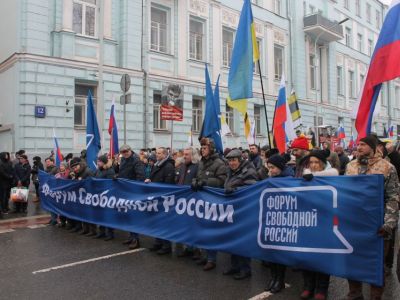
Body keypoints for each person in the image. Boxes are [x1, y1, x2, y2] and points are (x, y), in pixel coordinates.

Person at [345, 135, 399, 300]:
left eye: (363, 144)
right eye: (358, 144)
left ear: (373, 147)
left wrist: (388, 224)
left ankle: (375, 296)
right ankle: (355, 294)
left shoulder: (387, 168)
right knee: (352, 261)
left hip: (378, 225)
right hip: (354, 223)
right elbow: (344, 193)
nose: (359, 147)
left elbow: (394, 197)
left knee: (375, 264)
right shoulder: (350, 166)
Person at [300, 150, 338, 300]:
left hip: (324, 220)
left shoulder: (331, 175)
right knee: (306, 253)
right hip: (307, 220)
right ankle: (308, 286)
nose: (314, 165)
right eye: (311, 162)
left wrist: (313, 177)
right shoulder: (305, 175)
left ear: (322, 163)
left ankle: (321, 288)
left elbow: (334, 178)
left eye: (317, 162)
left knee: (323, 254)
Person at [192, 138, 228, 271]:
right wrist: (195, 181)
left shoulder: (219, 163)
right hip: (202, 200)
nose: (202, 149)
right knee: (202, 229)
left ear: (211, 148)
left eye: (205, 147)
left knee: (211, 230)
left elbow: (222, 180)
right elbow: (198, 175)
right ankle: (205, 255)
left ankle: (212, 259)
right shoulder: (201, 162)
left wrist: (206, 182)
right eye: (201, 147)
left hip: (213, 201)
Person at [222, 149, 258, 280]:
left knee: (242, 240)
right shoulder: (230, 172)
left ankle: (245, 268)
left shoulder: (249, 171)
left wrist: (236, 190)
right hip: (232, 210)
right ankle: (235, 265)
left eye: (234, 160)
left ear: (240, 160)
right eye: (230, 160)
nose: (231, 163)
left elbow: (252, 188)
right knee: (232, 238)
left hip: (244, 210)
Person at [264, 154, 294, 293]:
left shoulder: (289, 180)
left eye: (273, 168)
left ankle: (280, 280)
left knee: (279, 252)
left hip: (283, 220)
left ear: (280, 167)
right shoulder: (272, 178)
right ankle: (273, 277)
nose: (270, 170)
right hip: (271, 218)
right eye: (268, 167)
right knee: (270, 251)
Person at [146, 147, 175, 254]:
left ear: (164, 154)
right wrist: (150, 181)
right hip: (156, 198)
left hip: (164, 199)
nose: (156, 155)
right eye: (156, 153)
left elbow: (168, 183)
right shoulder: (157, 164)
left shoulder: (168, 166)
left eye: (158, 153)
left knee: (164, 223)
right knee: (157, 222)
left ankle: (166, 245)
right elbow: (155, 178)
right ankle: (158, 242)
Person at [116, 144, 145, 249]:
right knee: (127, 215)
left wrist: (134, 188)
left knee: (133, 216)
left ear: (130, 150)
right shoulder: (123, 159)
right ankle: (131, 236)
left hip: (132, 191)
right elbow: (122, 172)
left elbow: (140, 176)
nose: (125, 154)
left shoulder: (136, 160)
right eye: (123, 152)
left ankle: (136, 239)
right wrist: (118, 177)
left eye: (126, 151)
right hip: (124, 191)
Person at [175, 147, 200, 257]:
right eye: (184, 154)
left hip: (193, 201)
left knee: (193, 226)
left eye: (187, 155)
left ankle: (196, 250)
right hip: (181, 200)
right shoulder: (183, 166)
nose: (184, 156)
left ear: (193, 155)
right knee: (184, 225)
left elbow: (199, 180)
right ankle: (187, 247)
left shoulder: (198, 166)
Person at [68, 157, 95, 235]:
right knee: (83, 213)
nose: (74, 169)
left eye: (76, 167)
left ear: (79, 165)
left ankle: (92, 230)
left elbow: (92, 183)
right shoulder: (77, 173)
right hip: (81, 196)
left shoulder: (88, 171)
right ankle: (85, 229)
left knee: (89, 213)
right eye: (73, 168)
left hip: (88, 196)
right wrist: (73, 178)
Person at [94, 154, 116, 241]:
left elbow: (110, 184)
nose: (98, 163)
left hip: (107, 196)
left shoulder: (110, 171)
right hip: (99, 195)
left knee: (108, 215)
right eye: (97, 161)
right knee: (100, 215)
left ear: (103, 162)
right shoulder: (98, 170)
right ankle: (102, 232)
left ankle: (110, 233)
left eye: (99, 161)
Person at [45, 157, 59, 225]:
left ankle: (54, 219)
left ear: (52, 162)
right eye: (46, 162)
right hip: (49, 189)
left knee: (53, 204)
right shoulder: (47, 169)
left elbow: (54, 177)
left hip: (54, 189)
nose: (47, 163)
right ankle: (52, 218)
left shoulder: (55, 169)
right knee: (50, 204)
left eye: (48, 161)